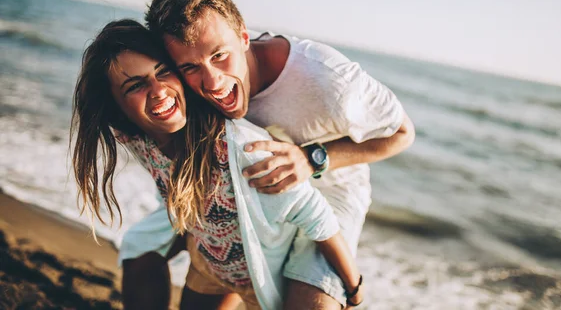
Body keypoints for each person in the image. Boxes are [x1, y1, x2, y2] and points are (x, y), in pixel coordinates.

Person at [119, 0, 415, 309]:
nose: (212, 82)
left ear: (244, 36)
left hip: (329, 193)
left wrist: (311, 158)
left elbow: (402, 133)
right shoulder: (184, 84)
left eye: (220, 56)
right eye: (190, 66)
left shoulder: (330, 81)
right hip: (239, 191)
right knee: (140, 253)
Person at [70, 20, 365, 310]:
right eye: (136, 85)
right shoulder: (136, 135)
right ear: (115, 104)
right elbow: (92, 96)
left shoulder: (239, 148)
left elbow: (315, 214)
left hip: (257, 272)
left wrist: (353, 289)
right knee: (139, 251)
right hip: (207, 261)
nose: (158, 90)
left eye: (163, 72)